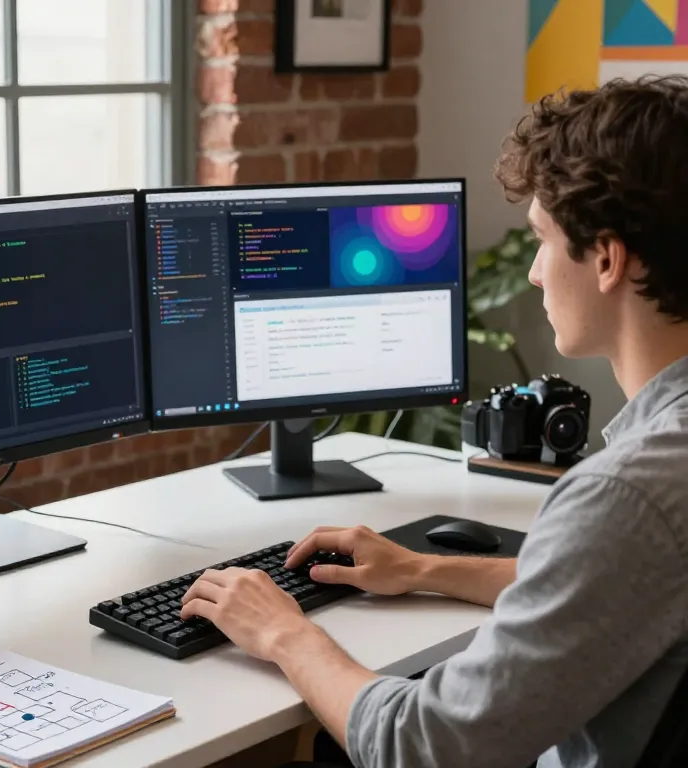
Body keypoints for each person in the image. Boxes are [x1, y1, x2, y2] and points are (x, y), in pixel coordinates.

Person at [180, 74, 688, 768]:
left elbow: (427, 746)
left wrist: (283, 634)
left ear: (606, 257)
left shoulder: (628, 495)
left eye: (541, 238)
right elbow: (614, 589)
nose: (535, 273)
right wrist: (426, 568)